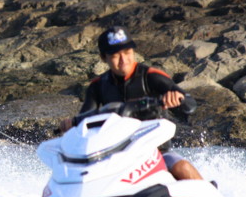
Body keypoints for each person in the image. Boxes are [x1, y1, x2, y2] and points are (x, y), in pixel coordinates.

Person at [60, 26, 203, 181]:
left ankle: (208, 194)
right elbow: (86, 122)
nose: (123, 60)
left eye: (127, 53)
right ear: (103, 58)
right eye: (116, 55)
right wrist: (70, 125)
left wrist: (177, 98)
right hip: (114, 155)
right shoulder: (97, 86)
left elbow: (190, 104)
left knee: (182, 168)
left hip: (156, 152)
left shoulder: (151, 77)